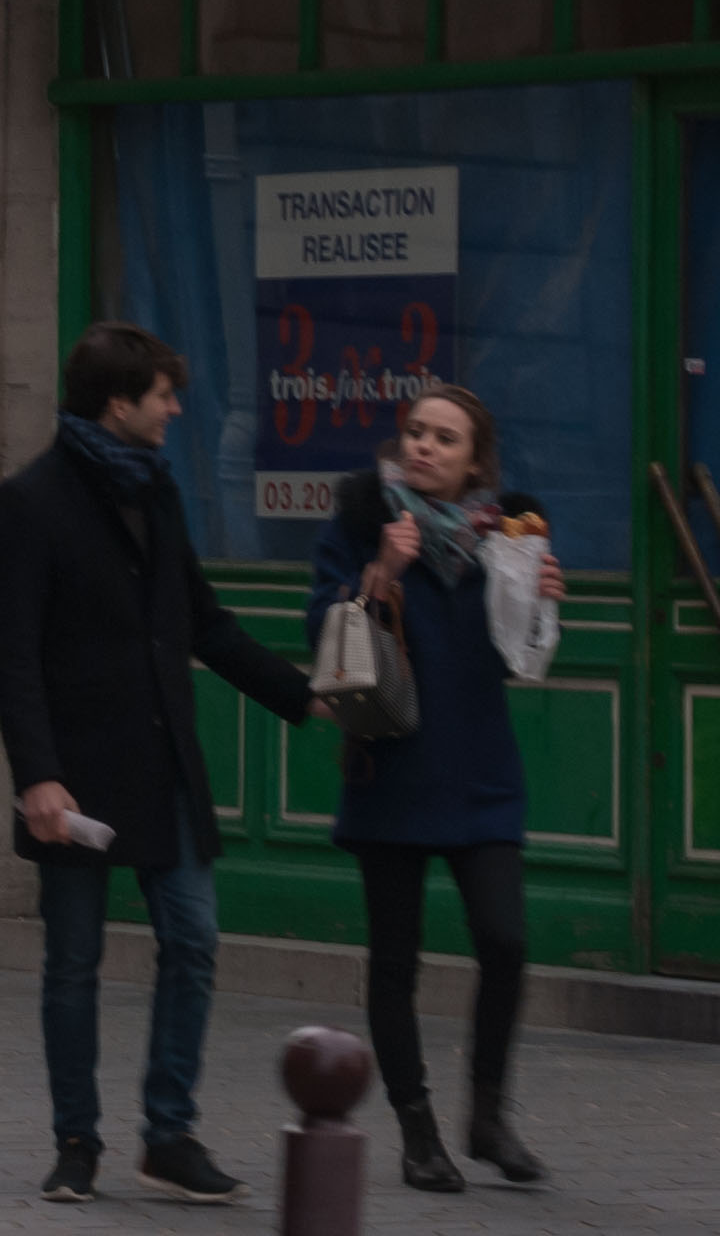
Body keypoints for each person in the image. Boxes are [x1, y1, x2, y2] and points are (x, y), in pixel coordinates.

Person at [0, 322, 321, 1207]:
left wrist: (302, 695)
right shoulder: (29, 502)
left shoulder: (158, 490)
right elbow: (12, 654)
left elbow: (204, 622)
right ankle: (75, 1140)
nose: (175, 410)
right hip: (76, 774)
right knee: (74, 961)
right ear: (118, 403)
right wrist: (36, 775)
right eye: (164, 396)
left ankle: (169, 1134)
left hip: (164, 760)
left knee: (195, 939)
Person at [308, 386, 549, 1192]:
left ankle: (488, 1114)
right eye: (416, 432)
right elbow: (320, 630)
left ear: (476, 461)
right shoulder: (363, 518)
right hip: (393, 769)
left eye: (446, 439)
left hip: (482, 774)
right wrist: (382, 571)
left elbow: (522, 658)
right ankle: (418, 1132)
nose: (424, 447)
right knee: (395, 959)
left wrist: (540, 603)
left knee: (505, 940)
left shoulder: (507, 536)